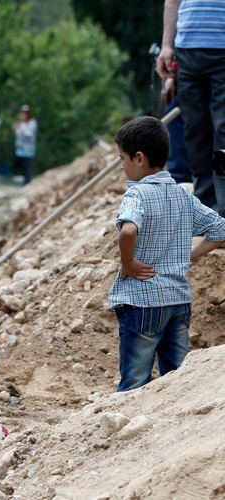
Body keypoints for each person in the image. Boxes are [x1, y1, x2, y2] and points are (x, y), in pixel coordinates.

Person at [108, 116, 225, 392]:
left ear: (139, 158)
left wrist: (129, 263)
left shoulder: (137, 195)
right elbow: (220, 230)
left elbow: (127, 232)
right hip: (178, 302)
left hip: (142, 303)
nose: (121, 165)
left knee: (134, 383)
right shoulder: (182, 195)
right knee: (178, 381)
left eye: (122, 158)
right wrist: (189, 256)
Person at [157, 0, 225, 216]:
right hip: (186, 49)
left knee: (223, 129)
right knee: (195, 131)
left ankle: (224, 212)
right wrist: (167, 46)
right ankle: (206, 212)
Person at [12, 104, 37, 185]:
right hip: (20, 150)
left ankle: (28, 185)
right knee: (21, 170)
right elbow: (18, 136)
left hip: (28, 151)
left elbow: (29, 135)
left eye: (25, 113)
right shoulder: (21, 123)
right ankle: (22, 184)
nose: (23, 115)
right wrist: (16, 129)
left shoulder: (32, 123)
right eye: (22, 113)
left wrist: (21, 128)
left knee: (27, 170)